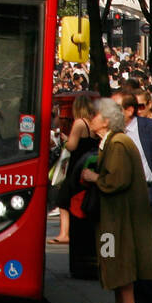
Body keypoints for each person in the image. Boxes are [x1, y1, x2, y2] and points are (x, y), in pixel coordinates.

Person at [82, 97, 152, 303]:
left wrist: (93, 177)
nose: (90, 120)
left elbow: (116, 180)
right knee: (110, 260)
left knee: (118, 260)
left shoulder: (118, 144)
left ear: (105, 121)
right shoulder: (111, 142)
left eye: (94, 116)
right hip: (110, 219)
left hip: (118, 221)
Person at [51, 91, 96, 246]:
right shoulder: (92, 124)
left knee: (63, 199)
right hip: (88, 164)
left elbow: (72, 145)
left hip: (76, 165)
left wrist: (65, 141)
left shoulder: (79, 123)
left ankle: (64, 233)